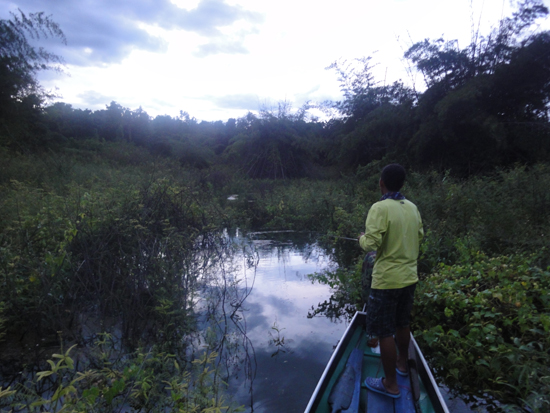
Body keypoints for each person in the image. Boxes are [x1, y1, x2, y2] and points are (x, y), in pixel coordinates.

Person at [358, 164, 424, 399]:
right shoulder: (413, 208)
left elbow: (371, 245)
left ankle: (391, 385)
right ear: (402, 184)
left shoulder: (379, 208)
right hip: (409, 278)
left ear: (381, 183)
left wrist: (362, 239)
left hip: (386, 281)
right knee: (402, 323)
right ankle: (403, 365)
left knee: (384, 332)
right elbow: (419, 236)